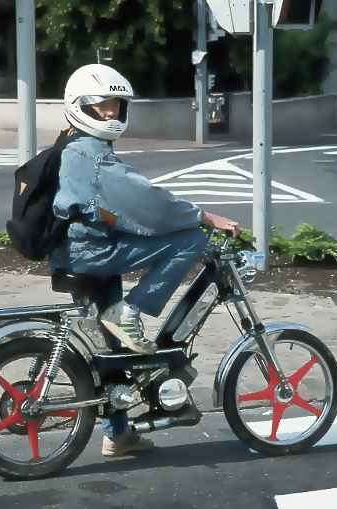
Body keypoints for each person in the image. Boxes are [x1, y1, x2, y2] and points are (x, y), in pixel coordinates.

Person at [49, 64, 240, 457]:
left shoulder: (73, 144)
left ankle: (118, 433)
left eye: (117, 106)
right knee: (189, 238)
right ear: (80, 105)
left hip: (84, 249)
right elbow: (147, 202)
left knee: (115, 348)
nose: (112, 114)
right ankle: (132, 311)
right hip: (94, 253)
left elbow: (111, 209)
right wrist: (202, 215)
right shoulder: (91, 153)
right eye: (103, 106)